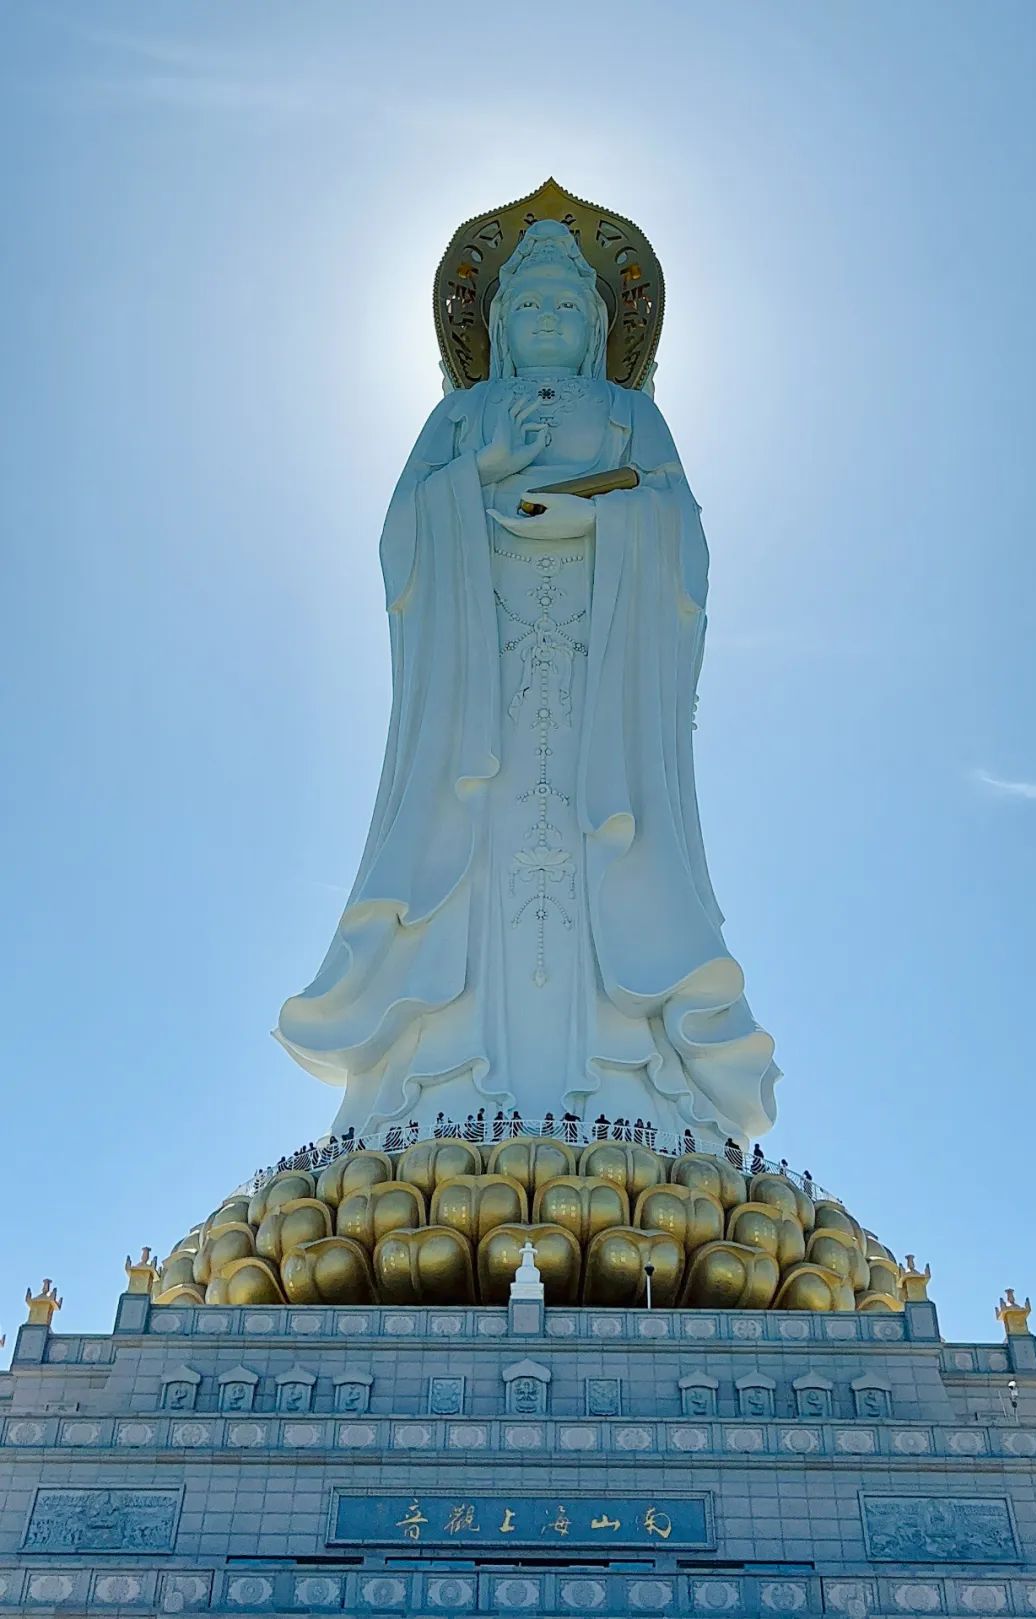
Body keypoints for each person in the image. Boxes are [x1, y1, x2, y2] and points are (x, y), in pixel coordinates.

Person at [274, 215, 780, 1153]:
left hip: (599, 710)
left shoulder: (632, 417)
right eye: (530, 304)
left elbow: (682, 537)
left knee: (604, 868)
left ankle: (646, 1113)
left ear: (597, 329)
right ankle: (441, 1097)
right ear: (498, 325)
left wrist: (598, 524)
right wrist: (475, 481)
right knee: (470, 867)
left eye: (565, 305)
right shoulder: (460, 419)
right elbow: (404, 543)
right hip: (479, 711)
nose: (548, 318)